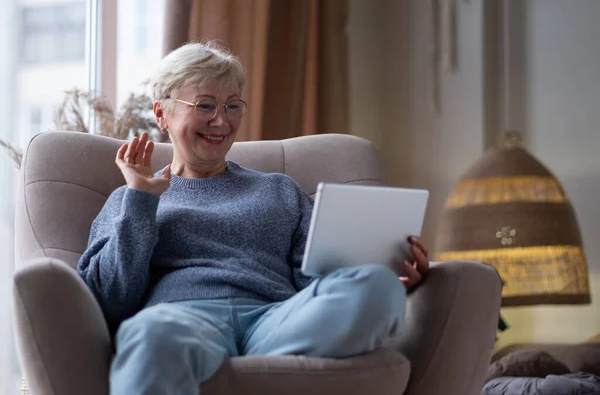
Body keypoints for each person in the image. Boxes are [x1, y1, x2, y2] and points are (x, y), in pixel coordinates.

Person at [77, 41, 430, 395]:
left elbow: (315, 282)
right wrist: (140, 201)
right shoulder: (131, 198)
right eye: (205, 105)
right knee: (151, 333)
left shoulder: (279, 190)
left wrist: (392, 268)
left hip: (275, 319)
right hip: (182, 321)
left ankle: (257, 355)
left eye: (233, 106)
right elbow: (110, 299)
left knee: (378, 287)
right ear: (161, 114)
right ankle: (261, 363)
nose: (221, 120)